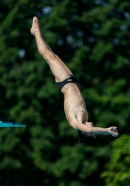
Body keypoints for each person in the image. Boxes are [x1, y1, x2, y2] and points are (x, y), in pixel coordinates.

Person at [30, 16, 119, 144]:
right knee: (53, 55)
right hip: (71, 80)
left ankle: (36, 31)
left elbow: (90, 130)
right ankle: (38, 33)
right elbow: (90, 129)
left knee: (50, 57)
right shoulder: (85, 117)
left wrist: (106, 131)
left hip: (64, 83)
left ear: (85, 131)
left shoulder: (75, 122)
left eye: (91, 129)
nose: (92, 125)